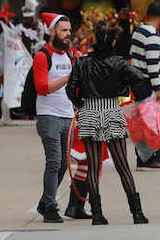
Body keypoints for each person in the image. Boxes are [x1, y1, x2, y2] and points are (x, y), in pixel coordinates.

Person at [65, 23, 151, 225]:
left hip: (90, 112)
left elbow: (70, 90)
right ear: (113, 41)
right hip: (112, 110)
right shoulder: (119, 62)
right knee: (123, 166)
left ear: (95, 40)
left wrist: (81, 105)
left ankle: (97, 214)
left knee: (93, 167)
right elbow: (139, 78)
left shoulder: (81, 63)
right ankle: (137, 213)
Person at [33, 13, 76, 223]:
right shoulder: (42, 56)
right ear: (52, 32)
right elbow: (42, 88)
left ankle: (45, 201)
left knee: (63, 165)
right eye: (63, 30)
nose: (68, 34)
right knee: (54, 161)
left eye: (69, 30)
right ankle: (50, 206)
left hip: (68, 116)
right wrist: (68, 78)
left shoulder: (70, 55)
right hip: (48, 116)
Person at [130, 2, 160, 169]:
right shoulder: (152, 35)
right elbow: (152, 63)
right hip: (149, 83)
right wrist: (158, 88)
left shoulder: (138, 31)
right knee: (157, 122)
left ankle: (143, 157)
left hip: (138, 81)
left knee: (144, 121)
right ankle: (152, 157)